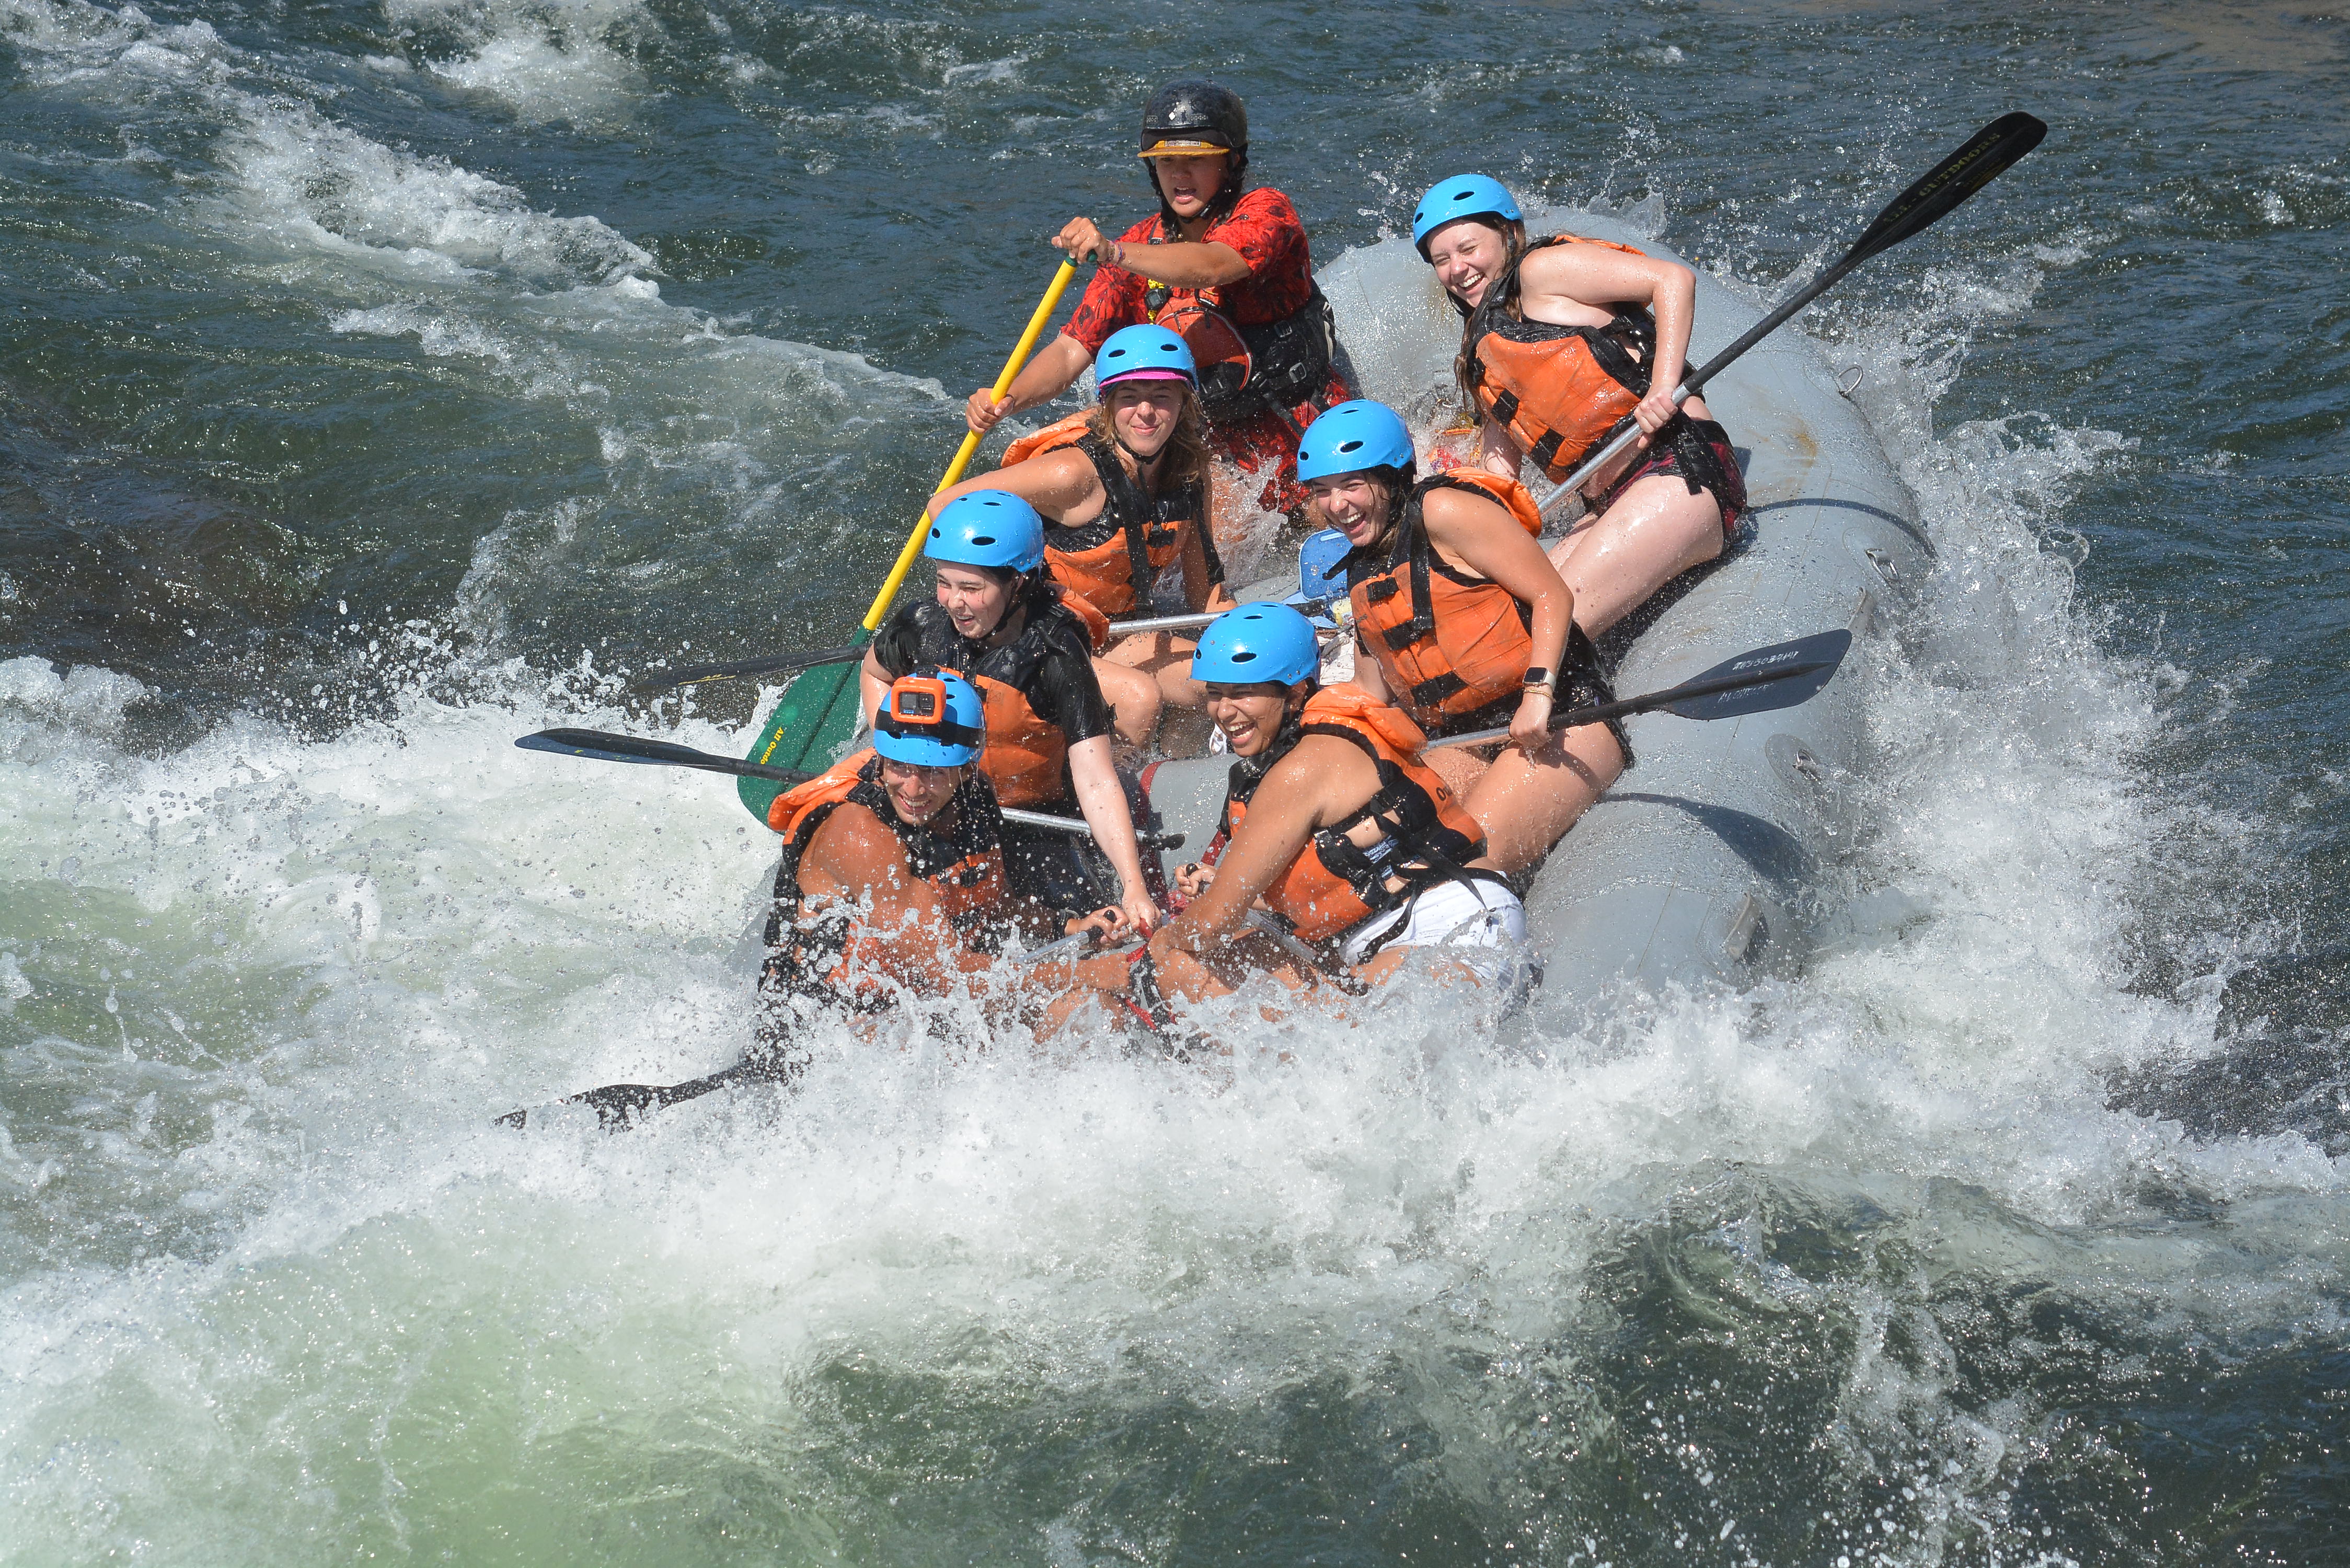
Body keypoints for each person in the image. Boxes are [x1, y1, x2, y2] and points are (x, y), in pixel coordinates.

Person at [1087, 604, 1527, 1017]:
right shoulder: (1290, 761)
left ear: (1296, 693)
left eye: (1244, 693)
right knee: (1242, 955)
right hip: (1408, 935)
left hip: (1453, 934)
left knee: (1179, 962)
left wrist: (1160, 948)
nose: (1224, 712)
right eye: (1215, 694)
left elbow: (1211, 924)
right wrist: (1225, 886)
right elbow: (1336, 876)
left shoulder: (1304, 768)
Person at [963, 78, 1352, 529]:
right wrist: (1007, 399)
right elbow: (1072, 351)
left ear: (1232, 162)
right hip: (1216, 449)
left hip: (1304, 419)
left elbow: (1212, 266)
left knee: (1327, 517)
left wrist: (1113, 252)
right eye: (1167, 161)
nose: (1180, 175)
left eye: (1196, 161)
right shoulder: (1136, 246)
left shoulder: (1267, 211)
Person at [1298, 400, 1627, 874]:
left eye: (1352, 485)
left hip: (1564, 712)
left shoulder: (1444, 510)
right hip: (1466, 737)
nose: (1338, 506)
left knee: (1463, 863)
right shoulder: (1362, 566)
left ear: (1392, 478)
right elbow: (1372, 694)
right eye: (1324, 491)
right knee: (1375, 865)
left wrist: (1538, 697)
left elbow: (1551, 594)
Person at [1412, 173, 1748, 636]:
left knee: (1543, 636)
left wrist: (1662, 390)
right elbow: (1500, 456)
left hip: (1678, 468)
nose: (1457, 269)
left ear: (1508, 233)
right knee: (1504, 628)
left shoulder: (1541, 270)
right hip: (1612, 500)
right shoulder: (1485, 336)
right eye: (1442, 260)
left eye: (1469, 249)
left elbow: (1672, 280)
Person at [760, 670, 1128, 1039]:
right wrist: (1086, 972)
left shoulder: (973, 803)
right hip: (831, 1029)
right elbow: (947, 975)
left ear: (968, 767)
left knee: (1093, 1010)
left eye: (934, 770)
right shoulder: (861, 836)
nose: (913, 788)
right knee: (1087, 992)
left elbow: (992, 903)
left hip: (924, 1007)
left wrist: (1070, 926)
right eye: (900, 765)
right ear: (882, 759)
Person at [862, 490, 1163, 932]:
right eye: (944, 582)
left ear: (1017, 582)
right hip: (929, 797)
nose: (953, 602)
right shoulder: (925, 623)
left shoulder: (1055, 656)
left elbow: (1096, 778)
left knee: (1064, 926)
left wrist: (1132, 885)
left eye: (971, 588)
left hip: (1031, 820)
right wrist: (895, 751)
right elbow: (874, 672)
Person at [933, 326, 1235, 751]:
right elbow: (945, 505)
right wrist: (1010, 586)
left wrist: (1256, 640)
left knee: (1228, 682)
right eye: (1129, 396)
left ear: (1185, 403)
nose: (1146, 412)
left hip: (1115, 635)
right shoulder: (1073, 474)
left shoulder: (1189, 471)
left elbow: (1206, 594)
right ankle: (1104, 797)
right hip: (1040, 639)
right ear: (1109, 406)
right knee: (1139, 699)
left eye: (1162, 396)